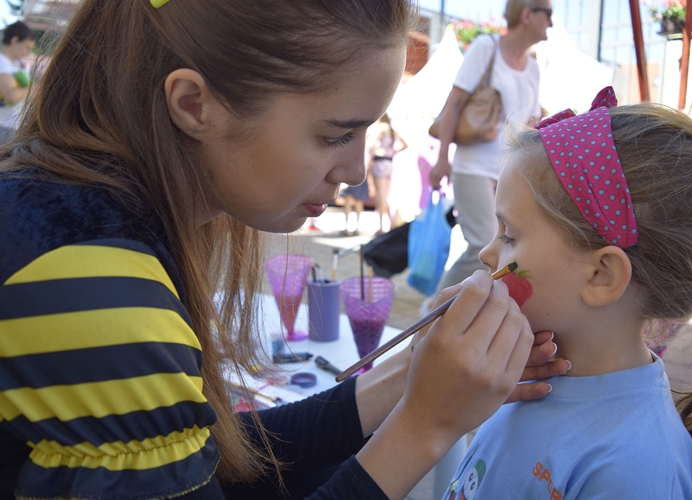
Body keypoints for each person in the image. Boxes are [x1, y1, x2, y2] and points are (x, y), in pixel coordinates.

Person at [0, 1, 570, 499]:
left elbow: (204, 466)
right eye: (333, 135)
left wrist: (408, 377)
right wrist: (424, 427)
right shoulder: (91, 287)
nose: (353, 171)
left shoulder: (82, 222)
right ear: (195, 105)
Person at [444, 87, 692, 499]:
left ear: (602, 276)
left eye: (510, 236)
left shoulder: (634, 471)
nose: (486, 253)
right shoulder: (522, 375)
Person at [428, 0, 551, 297]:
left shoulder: (533, 67)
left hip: (509, 173)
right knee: (483, 244)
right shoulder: (487, 47)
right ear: (527, 14)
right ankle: (433, 312)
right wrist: (442, 158)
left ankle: (459, 311)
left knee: (503, 249)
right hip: (473, 167)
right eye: (547, 14)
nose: (551, 23)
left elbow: (530, 121)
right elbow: (454, 104)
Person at [368, 112, 407, 234]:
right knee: (385, 197)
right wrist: (392, 152)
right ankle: (391, 223)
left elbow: (370, 145)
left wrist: (378, 151)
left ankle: (381, 226)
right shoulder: (392, 131)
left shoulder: (380, 129)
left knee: (380, 197)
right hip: (389, 163)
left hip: (379, 164)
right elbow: (405, 145)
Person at [0, 21, 34, 143]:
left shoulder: (14, 64)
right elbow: (11, 96)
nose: (27, 52)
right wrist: (32, 89)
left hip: (12, 126)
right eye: (26, 47)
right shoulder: (2, 62)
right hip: (4, 127)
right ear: (14, 40)